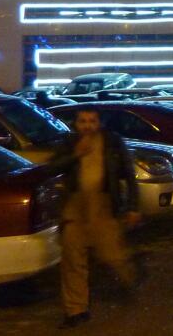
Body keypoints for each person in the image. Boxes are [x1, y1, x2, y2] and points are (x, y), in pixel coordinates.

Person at [48, 106, 140, 328]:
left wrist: (133, 207)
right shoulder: (69, 143)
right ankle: (75, 310)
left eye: (92, 121)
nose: (87, 125)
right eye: (83, 121)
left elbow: (128, 174)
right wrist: (75, 155)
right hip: (75, 205)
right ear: (76, 124)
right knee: (73, 258)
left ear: (99, 123)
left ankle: (129, 278)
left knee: (113, 255)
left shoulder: (112, 142)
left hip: (103, 204)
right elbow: (51, 167)